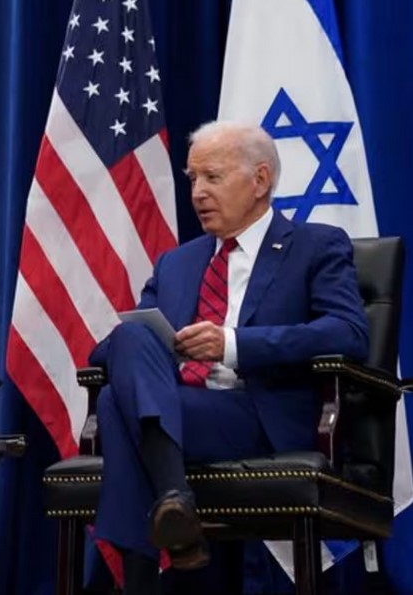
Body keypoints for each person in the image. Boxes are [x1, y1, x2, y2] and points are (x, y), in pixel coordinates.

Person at [88, 120, 368, 593]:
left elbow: (348, 332)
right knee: (129, 356)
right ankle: (174, 499)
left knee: (118, 406)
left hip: (258, 414)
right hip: (182, 405)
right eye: (192, 178)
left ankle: (151, 562)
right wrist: (161, 348)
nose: (198, 192)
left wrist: (233, 344)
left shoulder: (315, 246)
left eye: (212, 177)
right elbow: (110, 349)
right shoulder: (177, 262)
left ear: (260, 180)